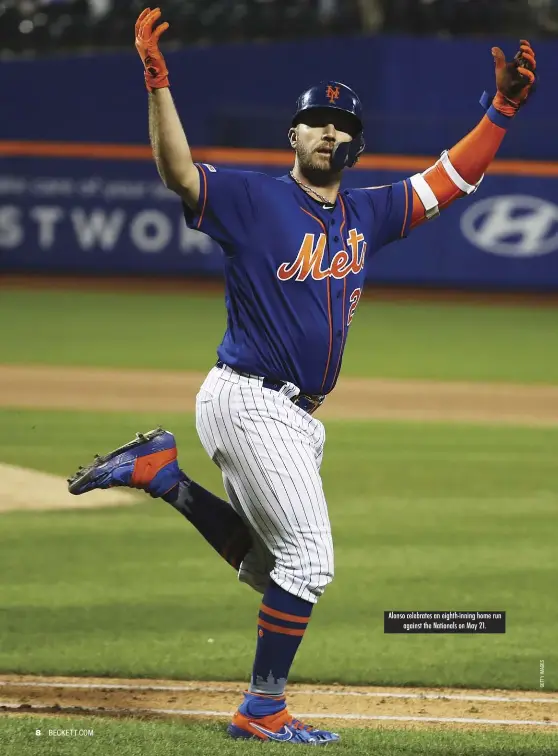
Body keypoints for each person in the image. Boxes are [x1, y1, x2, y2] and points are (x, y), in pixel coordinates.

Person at [68, 7, 536, 745]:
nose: (329, 131)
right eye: (316, 121)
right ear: (293, 135)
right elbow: (178, 173)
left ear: (355, 143)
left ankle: (164, 475)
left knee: (268, 570)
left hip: (293, 417)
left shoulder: (367, 215)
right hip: (249, 398)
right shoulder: (254, 200)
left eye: (341, 124)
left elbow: (451, 179)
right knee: (312, 562)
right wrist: (157, 82)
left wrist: (503, 110)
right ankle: (262, 709)